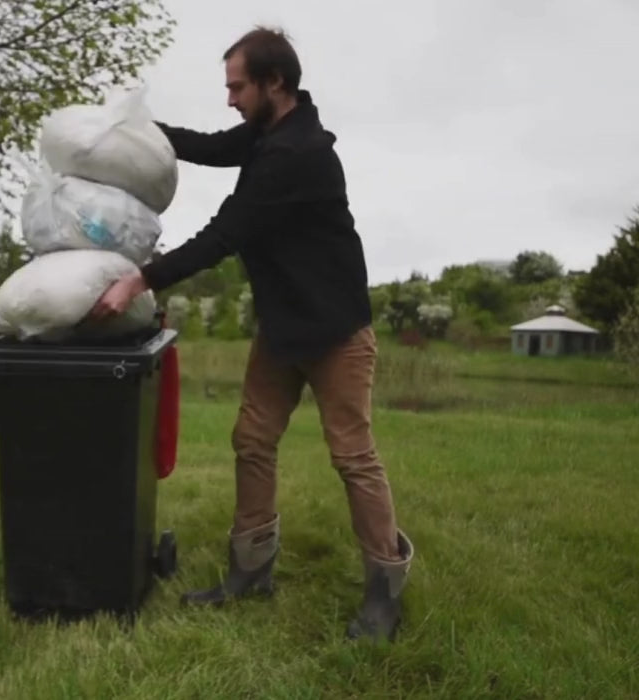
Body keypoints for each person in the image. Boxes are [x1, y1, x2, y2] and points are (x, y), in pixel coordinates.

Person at [88, 26, 414, 642]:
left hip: (336, 332)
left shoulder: (298, 154)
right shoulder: (270, 133)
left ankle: (385, 590)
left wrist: (137, 282)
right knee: (252, 438)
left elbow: (223, 234)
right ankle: (251, 571)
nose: (231, 98)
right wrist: (139, 131)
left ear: (275, 83)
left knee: (352, 456)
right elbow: (211, 147)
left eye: (238, 86)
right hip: (284, 327)